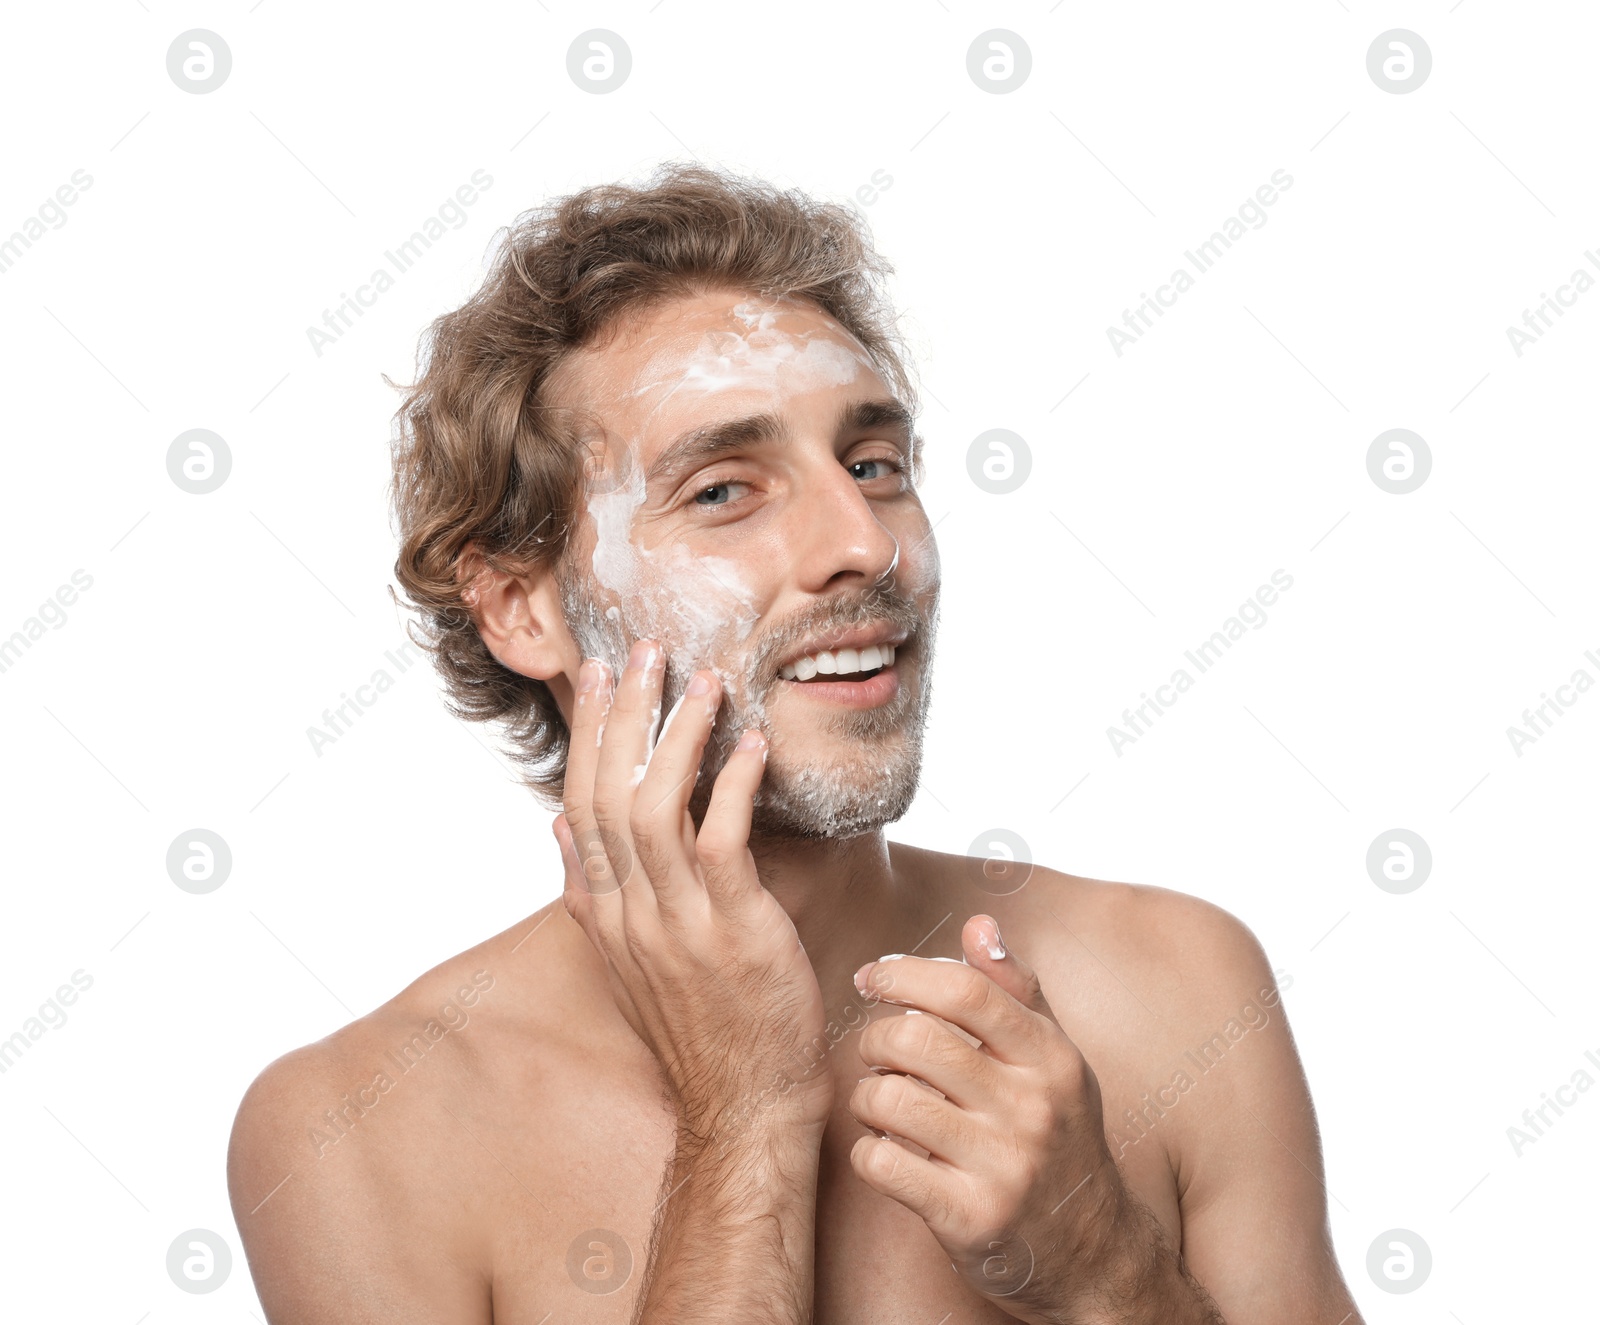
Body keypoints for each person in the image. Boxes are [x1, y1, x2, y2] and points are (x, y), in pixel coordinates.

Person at [227, 162, 1365, 1323]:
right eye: (726, 489)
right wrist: (746, 1112)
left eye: (873, 466)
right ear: (523, 607)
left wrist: (1104, 1269)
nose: (862, 543)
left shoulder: (1173, 984)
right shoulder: (360, 1131)